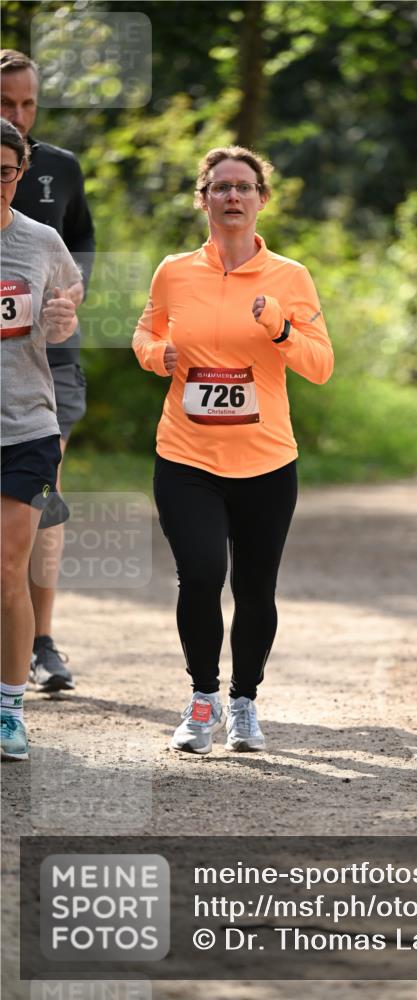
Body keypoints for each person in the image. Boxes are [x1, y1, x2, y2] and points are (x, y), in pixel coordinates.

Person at [133, 145, 333, 754]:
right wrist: (155, 354)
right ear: (203, 199)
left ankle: (244, 702)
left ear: (262, 199)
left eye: (245, 187)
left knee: (254, 588)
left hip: (266, 462)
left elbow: (320, 365)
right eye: (220, 187)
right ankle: (203, 700)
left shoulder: (290, 277)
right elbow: (146, 331)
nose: (233, 196)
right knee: (199, 576)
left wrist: (280, 328)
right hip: (186, 456)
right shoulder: (174, 272)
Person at [0, 49, 95, 694]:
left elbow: (82, 242)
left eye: (29, 103)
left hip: (48, 360)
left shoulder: (60, 167)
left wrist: (72, 292)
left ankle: (41, 640)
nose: (20, 113)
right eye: (7, 103)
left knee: (41, 494)